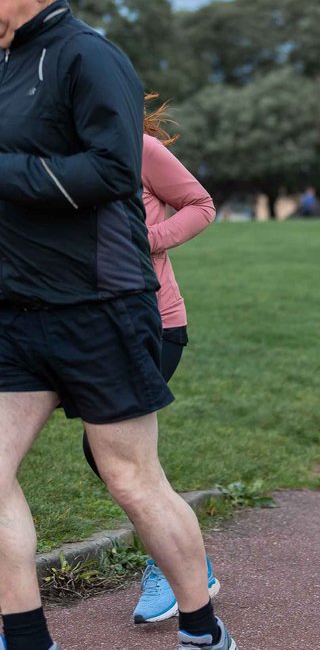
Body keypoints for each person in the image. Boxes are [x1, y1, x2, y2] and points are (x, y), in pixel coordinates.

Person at [0, 0, 236, 649]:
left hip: (100, 305)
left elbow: (109, 169)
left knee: (131, 478)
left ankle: (202, 628)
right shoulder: (6, 66)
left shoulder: (88, 55)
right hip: (16, 310)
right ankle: (25, 636)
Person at [76, 94, 220, 626]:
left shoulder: (139, 149)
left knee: (121, 456)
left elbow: (201, 204)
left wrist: (146, 242)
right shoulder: (50, 160)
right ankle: (187, 560)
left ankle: (176, 567)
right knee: (111, 457)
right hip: (86, 328)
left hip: (154, 323)